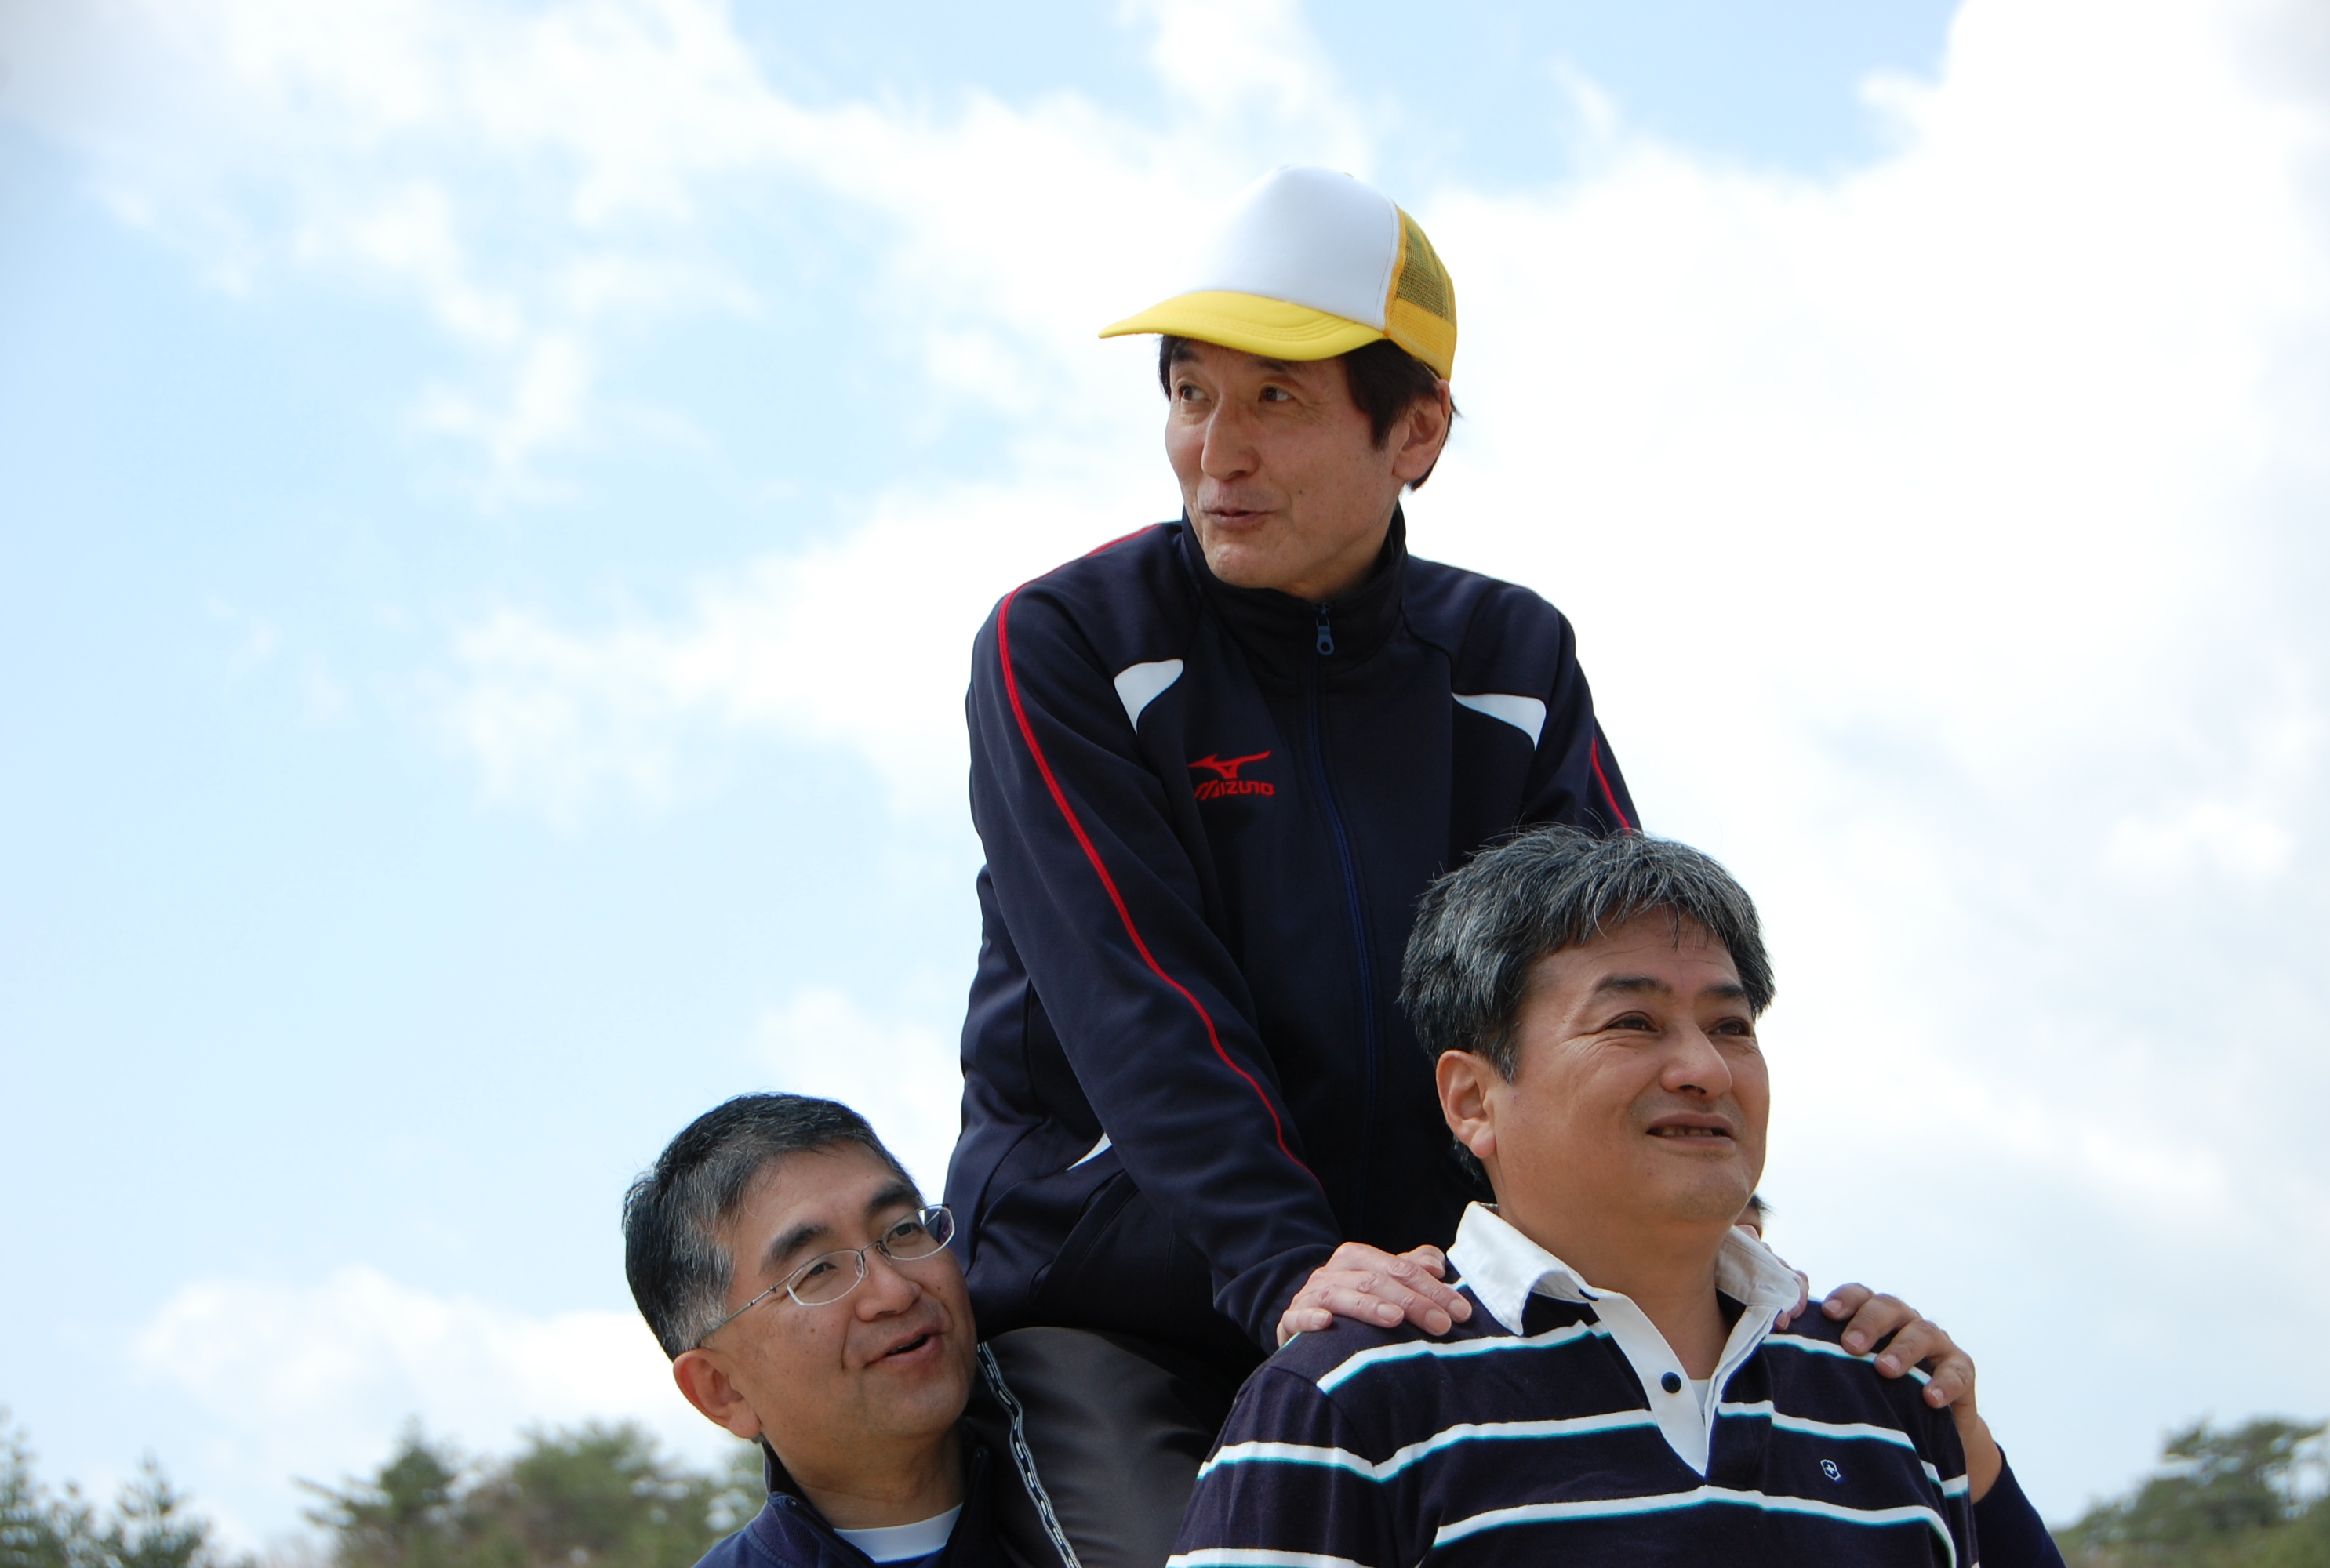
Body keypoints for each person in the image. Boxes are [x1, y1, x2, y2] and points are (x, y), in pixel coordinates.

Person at [946, 164, 1987, 1568]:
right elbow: (1135, 996)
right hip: (1118, 1301)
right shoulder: (1069, 643)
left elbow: (1621, 992)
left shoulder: (1508, 659)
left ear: (1416, 431)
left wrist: (1739, 1274)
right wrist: (1283, 1266)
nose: (1214, 452)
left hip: (1426, 1296)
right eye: (1189, 394)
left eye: (1275, 400)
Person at [1168, 828, 2065, 1566]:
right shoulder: (1349, 1396)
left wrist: (1966, 1445)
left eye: (1730, 1025)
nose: (1705, 1068)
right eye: (1632, 1021)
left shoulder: (1884, 1393)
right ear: (1472, 1099)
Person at [626, 1094, 1063, 1568]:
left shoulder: (1107, 1494)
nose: (895, 1291)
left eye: (902, 1230)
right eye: (817, 1271)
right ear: (722, 1390)